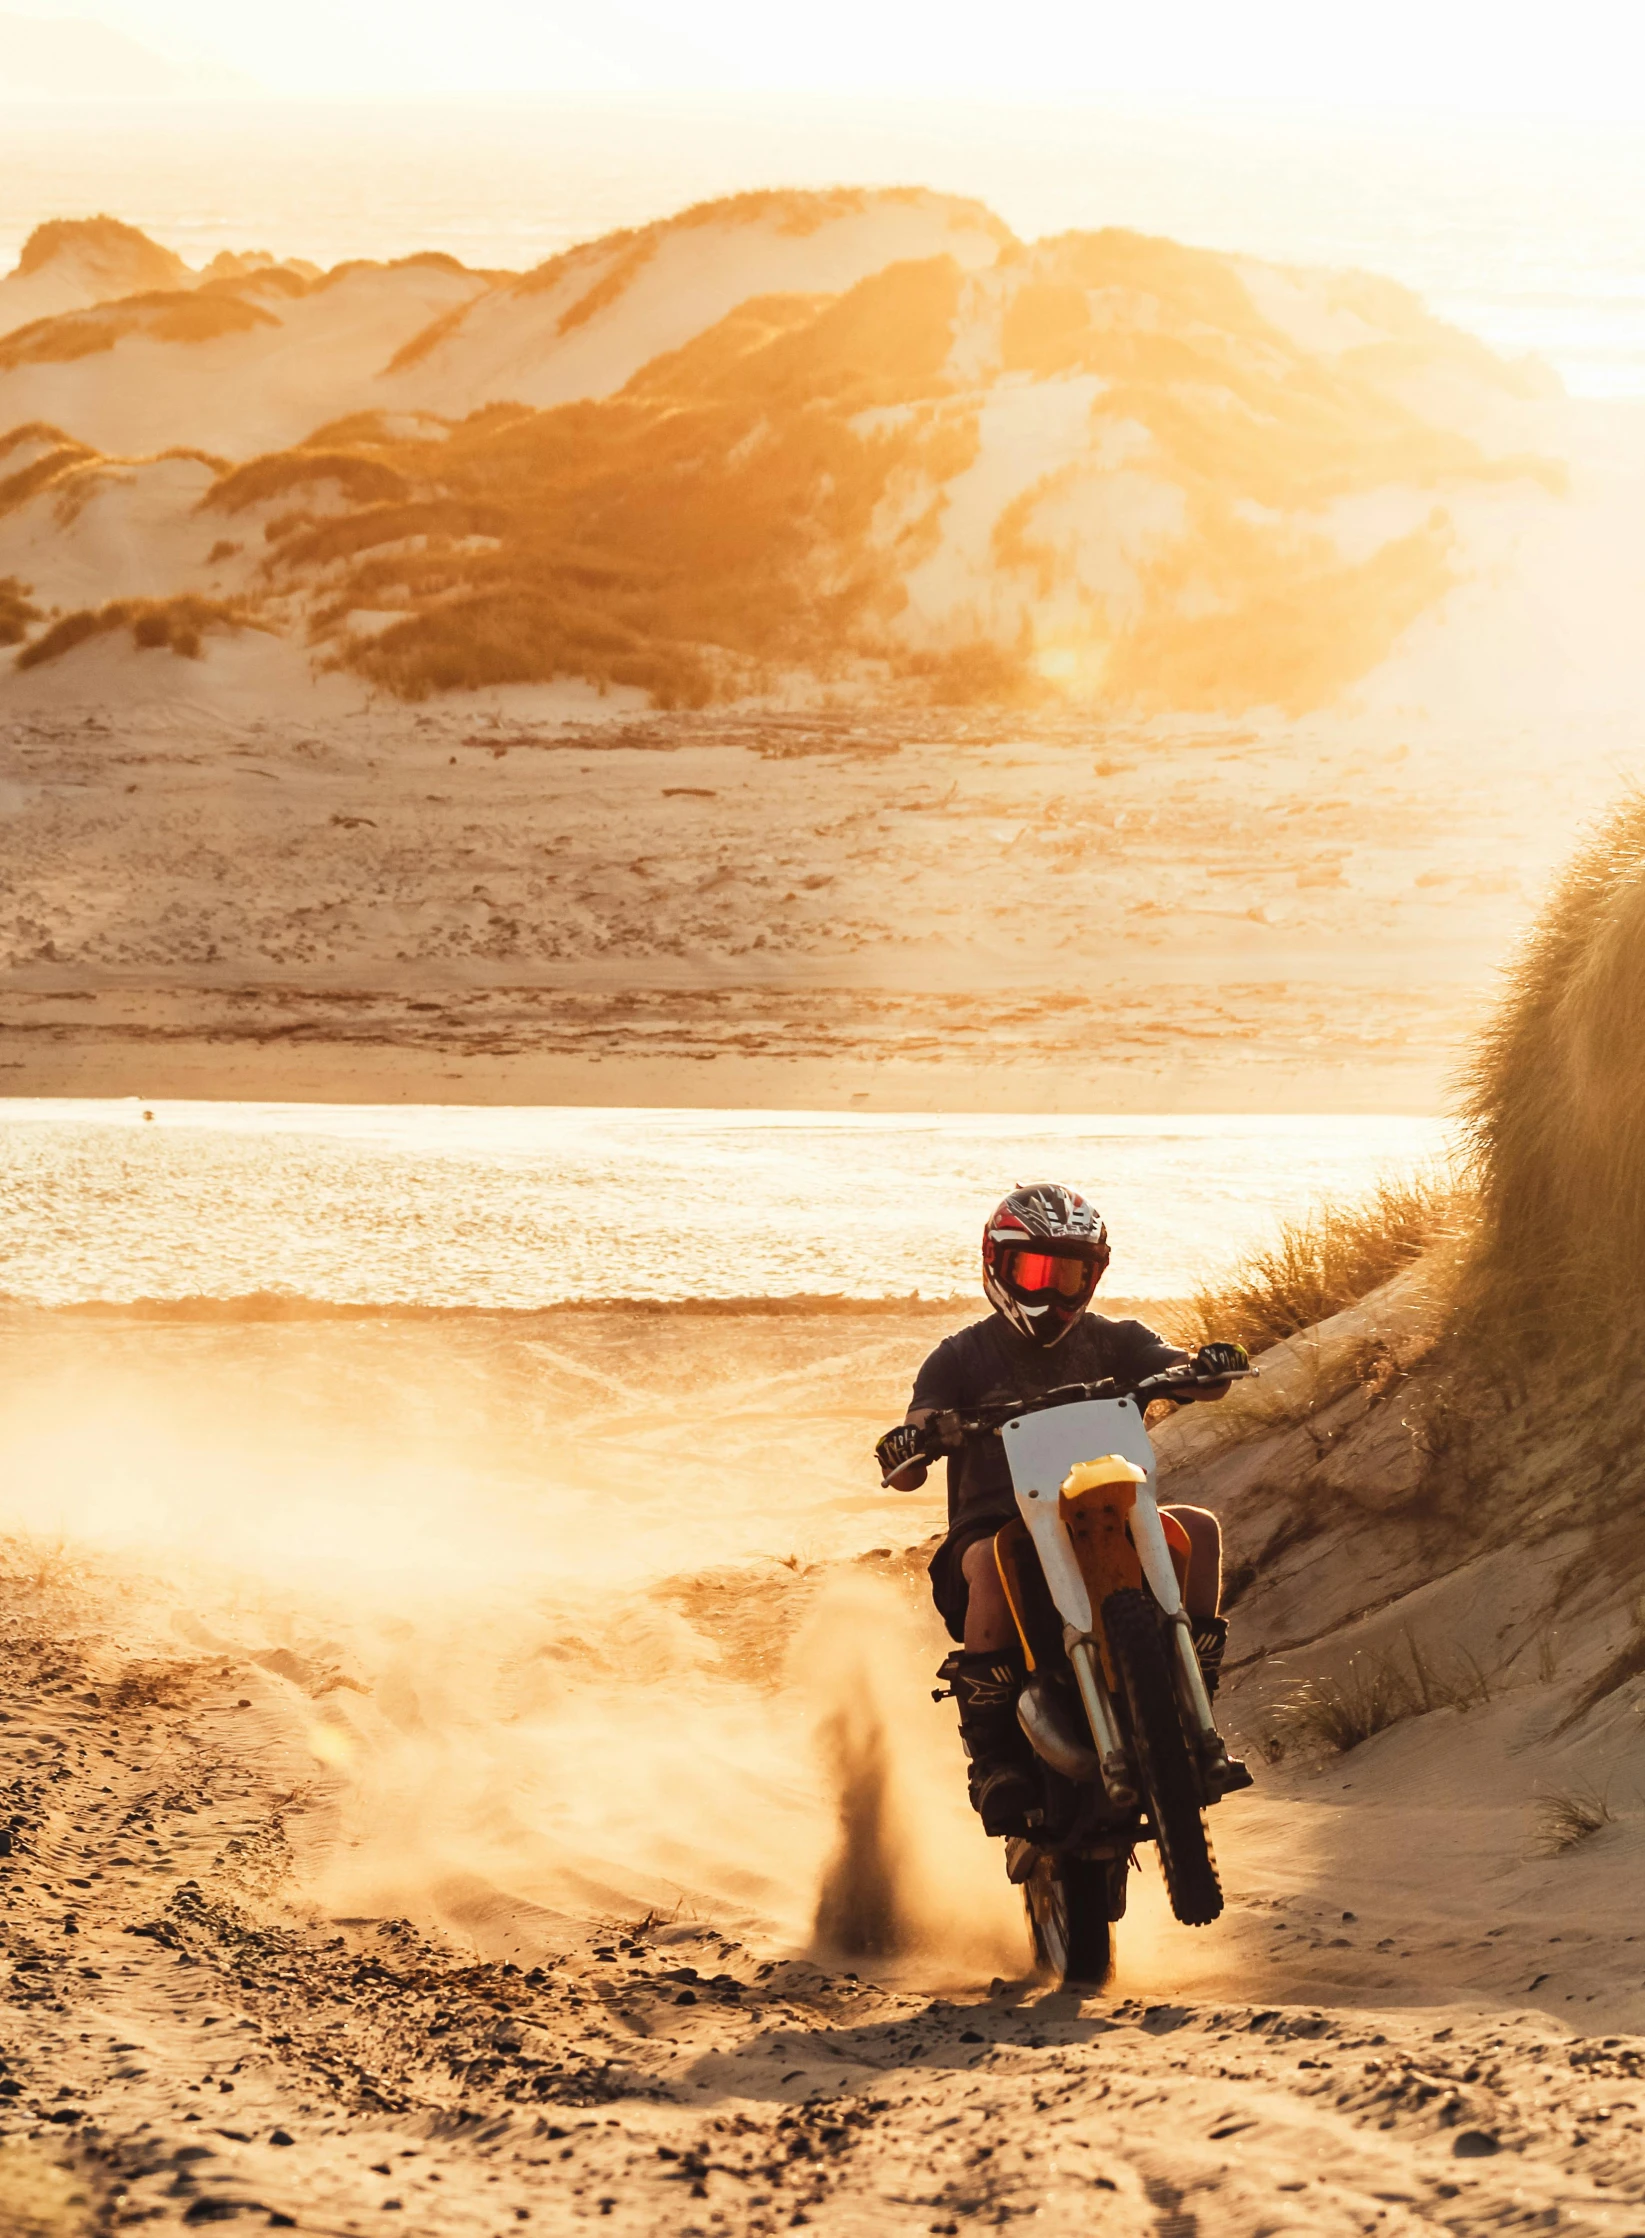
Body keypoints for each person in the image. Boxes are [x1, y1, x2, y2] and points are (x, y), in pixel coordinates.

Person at [874, 1182, 1247, 1836]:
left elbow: (1183, 1371)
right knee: (994, 1562)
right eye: (1037, 1271)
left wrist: (1204, 1367)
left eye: (1072, 1273)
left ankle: (1194, 1703)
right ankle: (989, 1757)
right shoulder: (961, 1355)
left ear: (1093, 1277)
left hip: (1110, 1517)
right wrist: (917, 1438)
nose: (1054, 1292)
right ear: (998, 1266)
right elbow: (912, 1451)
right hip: (996, 1528)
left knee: (1199, 1528)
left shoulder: (1117, 1340)